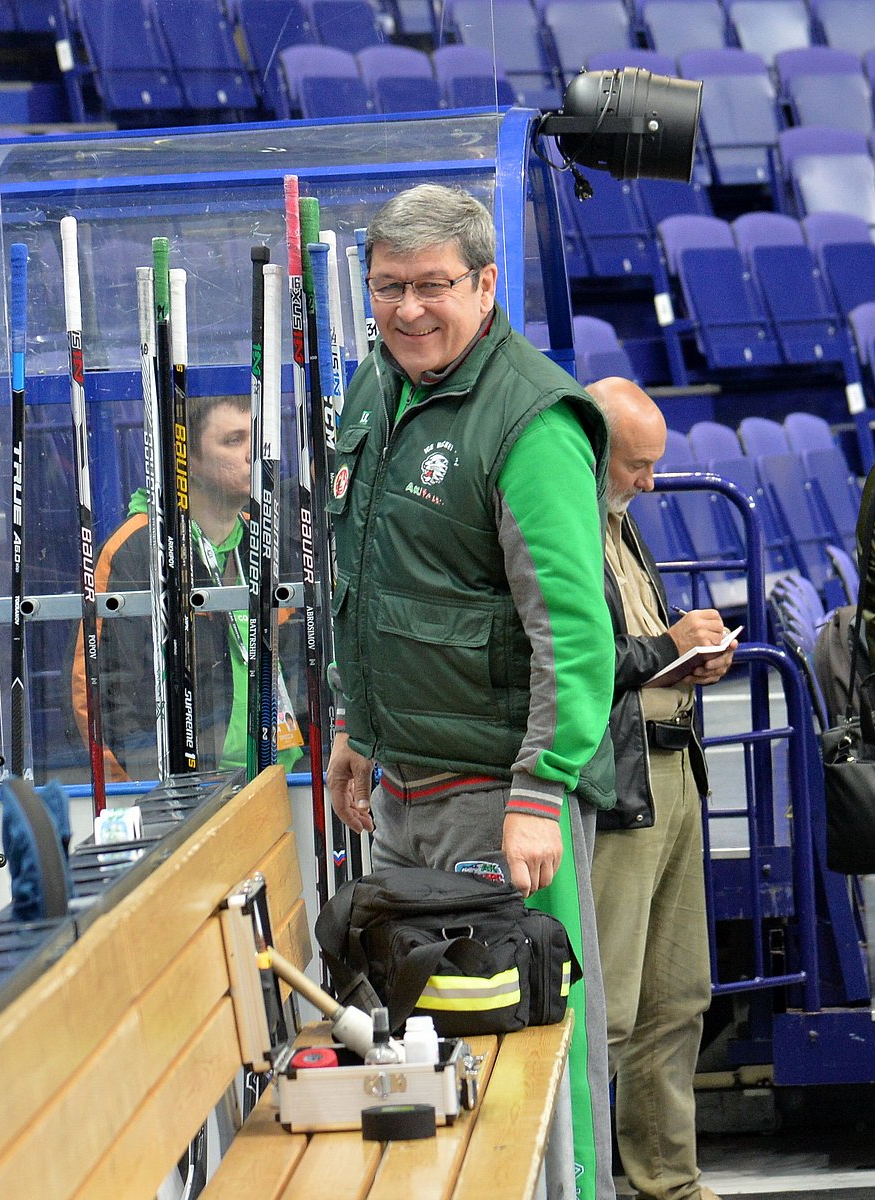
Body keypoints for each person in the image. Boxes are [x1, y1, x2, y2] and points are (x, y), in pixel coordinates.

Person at [324, 183, 617, 1200]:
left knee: (531, 1050)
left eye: (433, 287)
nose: (408, 309)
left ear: (487, 285)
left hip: (503, 805)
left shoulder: (531, 417)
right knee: (429, 1056)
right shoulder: (376, 388)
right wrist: (359, 721)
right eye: (387, 287)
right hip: (401, 796)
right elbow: (369, 579)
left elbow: (575, 634)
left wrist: (543, 789)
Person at [586, 376, 736, 1200]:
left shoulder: (618, 521)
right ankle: (590, 1182)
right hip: (621, 778)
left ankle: (668, 1183)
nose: (649, 482)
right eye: (637, 466)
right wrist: (665, 649)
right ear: (595, 453)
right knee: (609, 1011)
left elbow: (639, 646)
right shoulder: (562, 524)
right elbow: (572, 666)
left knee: (679, 996)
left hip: (673, 767)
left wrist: (694, 658)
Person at [65, 393, 302, 781]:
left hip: (283, 778)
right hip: (193, 788)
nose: (253, 454)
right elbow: (98, 692)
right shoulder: (137, 549)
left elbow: (298, 662)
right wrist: (143, 789)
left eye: (257, 438)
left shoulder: (269, 538)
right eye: (233, 440)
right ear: (186, 459)